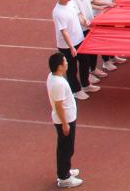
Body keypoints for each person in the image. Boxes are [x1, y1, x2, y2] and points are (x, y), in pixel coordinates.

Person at [52, 0, 97, 100]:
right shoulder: (58, 12)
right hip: (67, 46)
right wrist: (71, 47)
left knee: (85, 62)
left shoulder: (71, 3)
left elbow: (78, 14)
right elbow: (64, 31)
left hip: (79, 39)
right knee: (72, 68)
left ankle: (85, 84)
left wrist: (85, 22)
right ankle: (76, 90)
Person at [47, 52, 83, 188]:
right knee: (66, 148)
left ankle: (65, 170)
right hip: (65, 120)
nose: (67, 63)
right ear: (60, 66)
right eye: (65, 61)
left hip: (65, 118)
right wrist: (65, 124)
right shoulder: (59, 83)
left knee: (65, 147)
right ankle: (64, 178)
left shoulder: (52, 77)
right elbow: (58, 105)